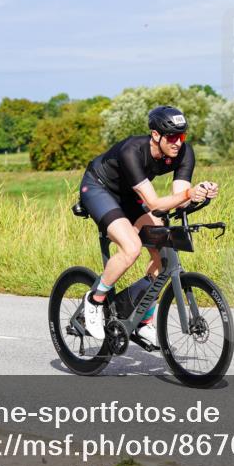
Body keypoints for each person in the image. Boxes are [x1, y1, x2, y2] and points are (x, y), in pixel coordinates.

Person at [78, 106, 219, 345]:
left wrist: (200, 194)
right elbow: (153, 203)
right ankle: (95, 300)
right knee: (131, 247)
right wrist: (188, 193)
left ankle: (143, 318)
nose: (178, 143)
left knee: (165, 254)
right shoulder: (132, 150)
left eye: (182, 136)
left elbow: (178, 198)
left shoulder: (184, 153)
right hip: (98, 188)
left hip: (129, 196)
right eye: (172, 137)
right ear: (155, 135)